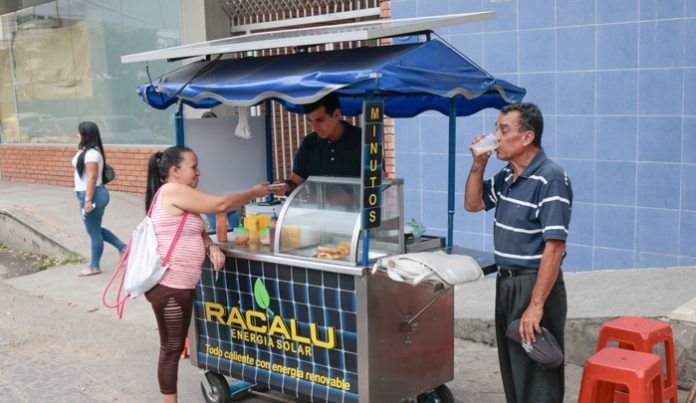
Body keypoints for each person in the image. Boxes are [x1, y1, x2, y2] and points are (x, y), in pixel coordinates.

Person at [464, 103, 572, 403]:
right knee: (514, 371)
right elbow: (473, 204)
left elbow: (555, 246)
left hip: (535, 283)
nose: (496, 136)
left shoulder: (550, 178)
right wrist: (478, 164)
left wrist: (536, 306)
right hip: (507, 283)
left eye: (504, 129)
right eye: (497, 129)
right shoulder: (507, 176)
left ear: (527, 137)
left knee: (538, 377)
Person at [144, 145, 269, 403]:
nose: (198, 172)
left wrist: (210, 246)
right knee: (171, 349)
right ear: (176, 171)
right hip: (171, 286)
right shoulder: (172, 190)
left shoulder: (181, 194)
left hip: (179, 285)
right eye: (193, 166)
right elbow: (220, 204)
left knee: (173, 346)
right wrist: (253, 193)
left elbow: (196, 230)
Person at [273, 92, 362, 196]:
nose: (314, 127)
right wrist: (286, 187)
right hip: (317, 211)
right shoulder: (309, 143)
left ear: (337, 114)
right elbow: (295, 183)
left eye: (320, 120)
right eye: (310, 121)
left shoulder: (363, 140)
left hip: (358, 211)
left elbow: (377, 183)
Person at [72, 121, 127, 277]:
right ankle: (123, 247)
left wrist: (88, 201)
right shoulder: (87, 151)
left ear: (85, 135)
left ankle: (94, 266)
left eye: (79, 133)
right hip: (89, 193)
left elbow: (92, 177)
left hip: (93, 194)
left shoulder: (91, 154)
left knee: (94, 232)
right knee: (95, 229)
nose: (77, 135)